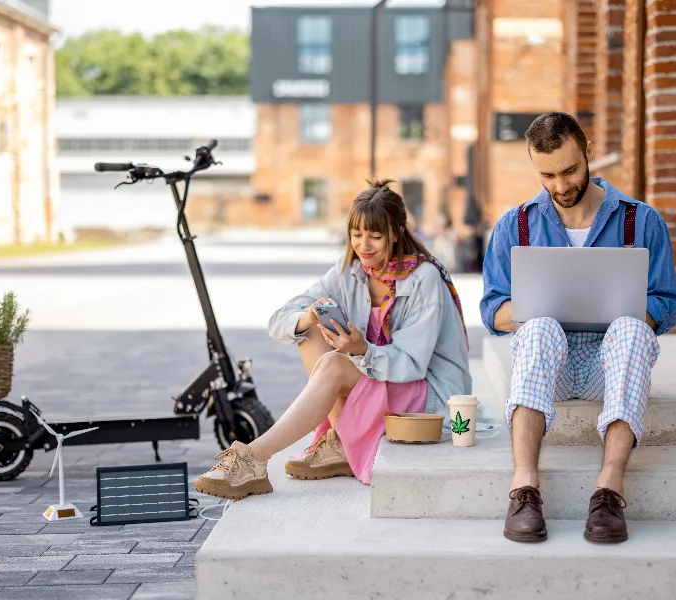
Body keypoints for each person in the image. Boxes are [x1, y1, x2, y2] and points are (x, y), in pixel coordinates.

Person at [479, 112, 676, 544]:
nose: (560, 186)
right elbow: (492, 310)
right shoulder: (514, 225)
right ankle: (524, 489)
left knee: (632, 331)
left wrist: (629, 312)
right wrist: (535, 309)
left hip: (608, 365)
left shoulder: (641, 221)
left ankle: (608, 491)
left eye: (570, 170)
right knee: (538, 328)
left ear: (589, 153)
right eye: (548, 175)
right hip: (545, 366)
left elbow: (667, 301)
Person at [195, 179, 472, 500]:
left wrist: (360, 350)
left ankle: (253, 458)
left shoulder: (424, 278)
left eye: (375, 236)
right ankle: (342, 441)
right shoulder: (350, 272)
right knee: (310, 332)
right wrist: (308, 317)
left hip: (430, 393)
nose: (364, 245)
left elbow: (411, 365)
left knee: (333, 364)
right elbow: (278, 320)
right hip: (382, 378)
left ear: (397, 232)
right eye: (356, 235)